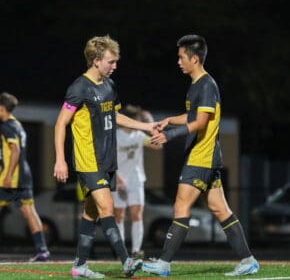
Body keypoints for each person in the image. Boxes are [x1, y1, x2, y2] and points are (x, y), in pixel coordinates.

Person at [142, 34, 259, 277]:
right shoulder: (197, 85)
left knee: (180, 206)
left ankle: (163, 263)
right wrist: (169, 121)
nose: (178, 61)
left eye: (181, 57)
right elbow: (193, 116)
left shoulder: (206, 85)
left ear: (194, 59)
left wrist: (170, 135)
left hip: (201, 157)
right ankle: (248, 260)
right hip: (206, 156)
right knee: (219, 209)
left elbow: (201, 121)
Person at [53, 35, 157, 279]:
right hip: (89, 159)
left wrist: (145, 127)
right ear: (96, 60)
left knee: (92, 212)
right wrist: (60, 158)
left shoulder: (109, 86)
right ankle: (126, 261)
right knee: (108, 207)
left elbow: (116, 116)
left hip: (107, 160)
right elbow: (60, 123)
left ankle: (79, 266)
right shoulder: (79, 88)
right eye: (111, 61)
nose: (115, 65)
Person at [0, 92, 50, 261]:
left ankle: (42, 250)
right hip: (24, 175)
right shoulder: (18, 125)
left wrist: (7, 175)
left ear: (1, 108)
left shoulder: (6, 126)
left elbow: (15, 150)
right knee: (29, 211)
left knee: (29, 212)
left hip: (11, 178)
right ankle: (42, 250)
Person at [112, 105, 161, 259]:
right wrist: (117, 177)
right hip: (118, 178)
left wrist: (151, 126)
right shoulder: (116, 135)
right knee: (119, 216)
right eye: (137, 120)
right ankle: (120, 251)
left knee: (136, 214)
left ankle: (136, 251)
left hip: (136, 179)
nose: (139, 122)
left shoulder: (139, 135)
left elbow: (159, 145)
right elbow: (108, 158)